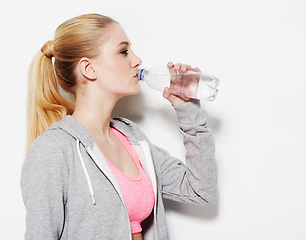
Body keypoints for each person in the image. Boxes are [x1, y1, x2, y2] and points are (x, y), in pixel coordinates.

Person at [21, 13, 218, 240]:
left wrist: (188, 110)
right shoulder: (54, 149)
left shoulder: (132, 138)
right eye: (123, 51)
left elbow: (201, 191)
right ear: (89, 68)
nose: (137, 60)